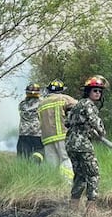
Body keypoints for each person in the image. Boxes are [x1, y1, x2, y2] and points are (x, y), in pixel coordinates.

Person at [65, 76, 108, 204]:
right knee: (93, 174)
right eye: (95, 91)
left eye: (100, 91)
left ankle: (73, 209)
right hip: (82, 145)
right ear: (88, 91)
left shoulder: (77, 104)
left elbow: (67, 122)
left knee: (80, 176)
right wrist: (102, 133)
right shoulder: (89, 105)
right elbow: (95, 122)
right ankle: (91, 210)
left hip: (70, 144)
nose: (98, 93)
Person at [38, 80, 77, 176]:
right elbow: (79, 106)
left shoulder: (41, 103)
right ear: (61, 90)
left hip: (47, 138)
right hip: (62, 136)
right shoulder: (63, 98)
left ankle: (54, 184)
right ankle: (68, 183)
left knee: (52, 164)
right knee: (66, 160)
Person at [17, 83, 45, 161]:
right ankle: (36, 164)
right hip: (38, 134)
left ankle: (24, 170)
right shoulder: (42, 104)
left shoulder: (22, 104)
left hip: (24, 134)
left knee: (23, 157)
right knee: (39, 152)